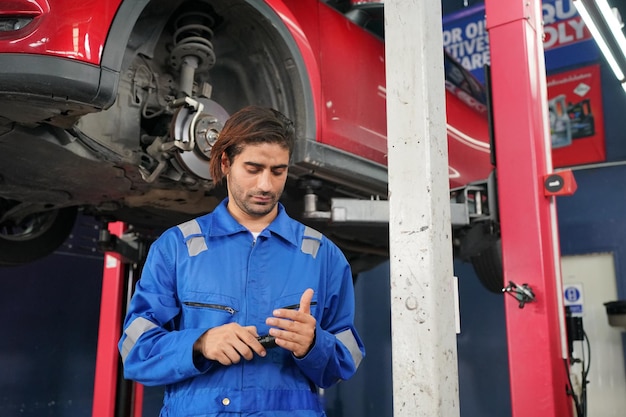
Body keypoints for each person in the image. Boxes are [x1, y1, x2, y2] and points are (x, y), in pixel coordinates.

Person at [118, 105, 365, 416]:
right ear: (226, 162)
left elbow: (347, 358)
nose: (266, 185)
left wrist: (313, 344)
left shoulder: (322, 255)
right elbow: (135, 351)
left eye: (278, 171)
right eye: (253, 168)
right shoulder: (177, 248)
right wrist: (200, 343)